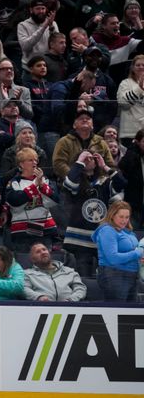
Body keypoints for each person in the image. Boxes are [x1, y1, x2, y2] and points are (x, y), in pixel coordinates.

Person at [62, 149, 127, 277]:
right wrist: (79, 161)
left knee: (105, 276)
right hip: (80, 238)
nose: (88, 160)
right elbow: (68, 185)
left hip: (101, 236)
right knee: (83, 276)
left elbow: (122, 183)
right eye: (85, 158)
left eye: (91, 158)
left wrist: (105, 166)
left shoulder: (105, 181)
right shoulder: (76, 180)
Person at [6, 147, 60, 252]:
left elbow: (54, 201)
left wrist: (42, 185)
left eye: (36, 160)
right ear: (21, 164)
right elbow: (15, 203)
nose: (34, 163)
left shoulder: (45, 180)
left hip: (45, 231)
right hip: (22, 233)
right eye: (30, 160)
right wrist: (34, 186)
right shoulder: (14, 182)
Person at [91, 201, 144, 302]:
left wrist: (139, 259)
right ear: (112, 215)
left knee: (130, 314)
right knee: (117, 312)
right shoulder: (107, 230)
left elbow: (134, 253)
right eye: (121, 217)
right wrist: (137, 253)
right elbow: (113, 258)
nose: (124, 220)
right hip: (114, 275)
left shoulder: (128, 232)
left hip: (132, 276)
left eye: (127, 217)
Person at [118, 129, 144, 228]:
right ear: (137, 142)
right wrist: (133, 148)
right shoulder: (133, 156)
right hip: (134, 205)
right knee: (131, 234)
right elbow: (123, 166)